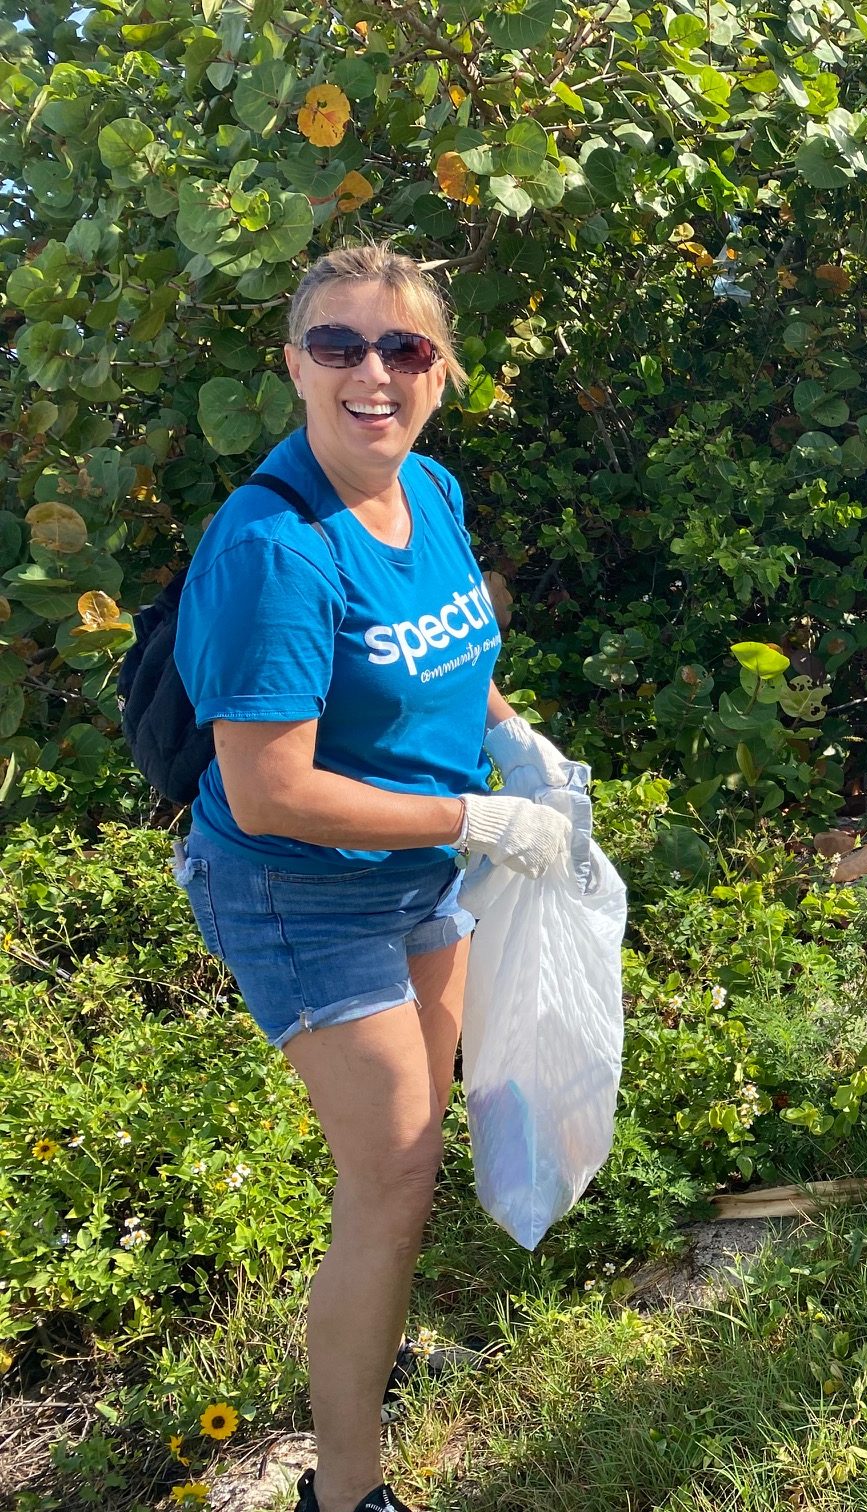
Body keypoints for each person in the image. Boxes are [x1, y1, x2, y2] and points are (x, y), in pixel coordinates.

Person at [170, 245, 579, 1512]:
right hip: (302, 892)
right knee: (393, 1166)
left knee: (417, 1135)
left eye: (403, 348)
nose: (372, 372)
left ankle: (381, 1338)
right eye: (339, 345)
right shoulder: (275, 550)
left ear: (440, 374)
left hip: (420, 866)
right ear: (293, 365)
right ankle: (343, 1495)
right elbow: (267, 788)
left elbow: (455, 656)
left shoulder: (431, 491)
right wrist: (478, 815)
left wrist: (513, 738)